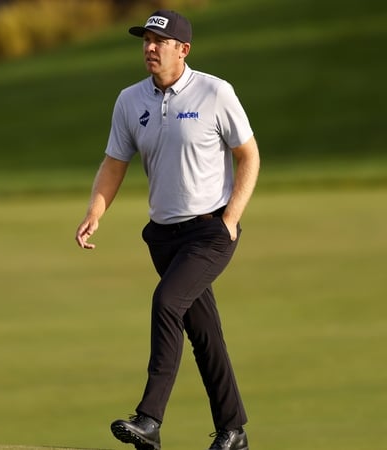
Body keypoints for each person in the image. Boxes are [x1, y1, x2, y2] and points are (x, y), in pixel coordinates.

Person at [74, 9, 259, 450]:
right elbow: (114, 163)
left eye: (159, 42)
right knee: (204, 333)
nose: (150, 48)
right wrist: (95, 211)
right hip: (163, 236)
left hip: (210, 231)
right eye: (145, 41)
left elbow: (248, 155)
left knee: (166, 302)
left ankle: (150, 419)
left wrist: (230, 220)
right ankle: (233, 430)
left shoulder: (215, 92)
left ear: (183, 50)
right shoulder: (129, 100)